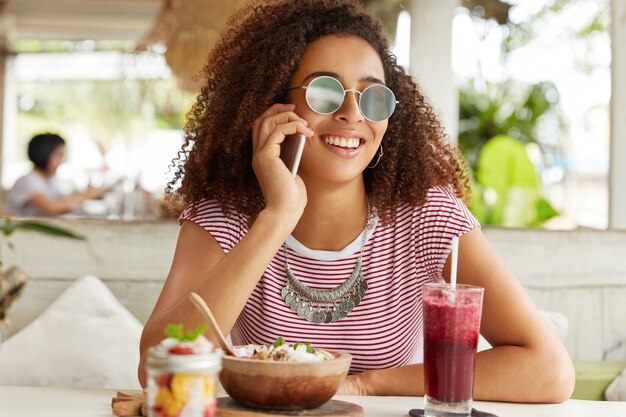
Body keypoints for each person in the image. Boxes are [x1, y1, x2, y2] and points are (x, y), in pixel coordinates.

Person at [139, 0, 574, 401]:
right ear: (272, 104)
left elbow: (549, 370)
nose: (352, 113)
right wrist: (276, 218)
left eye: (373, 97)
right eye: (324, 92)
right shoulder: (226, 216)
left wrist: (366, 383)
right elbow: (155, 366)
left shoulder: (426, 214)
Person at [4, 133, 103, 217]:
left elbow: (62, 202)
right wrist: (87, 195)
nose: (61, 161)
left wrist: (84, 198)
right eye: (59, 156)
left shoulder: (50, 182)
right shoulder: (28, 181)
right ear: (44, 154)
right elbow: (51, 207)